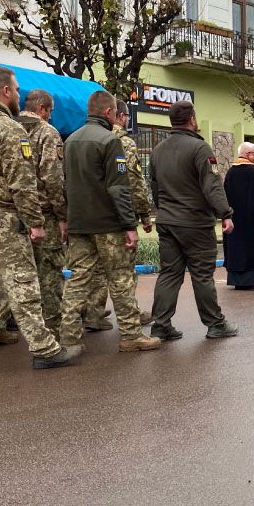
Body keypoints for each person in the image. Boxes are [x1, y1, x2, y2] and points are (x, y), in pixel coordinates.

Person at [0, 67, 82, 376]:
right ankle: (45, 348)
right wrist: (35, 221)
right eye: (17, 90)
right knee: (23, 282)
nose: (19, 96)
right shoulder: (7, 129)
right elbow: (22, 182)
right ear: (5, 92)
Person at [58, 90, 160, 354]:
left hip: (79, 223)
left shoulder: (70, 141)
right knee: (121, 279)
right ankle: (130, 335)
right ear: (108, 113)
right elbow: (119, 188)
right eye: (116, 113)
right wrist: (129, 225)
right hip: (108, 225)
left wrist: (66, 218)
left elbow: (64, 184)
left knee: (78, 280)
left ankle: (68, 336)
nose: (117, 118)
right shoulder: (110, 141)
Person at [0, 89, 70, 341]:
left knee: (12, 271)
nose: (51, 116)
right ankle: (53, 328)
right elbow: (52, 179)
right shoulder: (47, 133)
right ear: (42, 108)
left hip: (10, 212)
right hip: (43, 214)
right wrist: (62, 215)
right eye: (50, 111)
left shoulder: (6, 127)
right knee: (50, 270)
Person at [148, 101, 238, 340]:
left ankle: (161, 324)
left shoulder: (158, 150)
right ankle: (215, 324)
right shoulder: (200, 149)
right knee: (201, 275)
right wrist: (225, 213)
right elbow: (212, 186)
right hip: (195, 223)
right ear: (192, 120)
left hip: (167, 221)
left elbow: (154, 187)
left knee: (169, 273)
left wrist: (165, 209)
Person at [222, 142, 254, 289]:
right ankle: (249, 280)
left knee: (236, 248)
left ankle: (236, 280)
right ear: (247, 154)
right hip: (252, 221)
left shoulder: (231, 172)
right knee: (251, 249)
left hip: (234, 219)